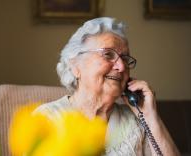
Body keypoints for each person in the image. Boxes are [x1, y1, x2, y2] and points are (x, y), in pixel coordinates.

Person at [34, 17, 180, 155]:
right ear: (76, 66)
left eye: (124, 58)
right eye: (108, 54)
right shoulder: (47, 118)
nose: (121, 66)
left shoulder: (138, 119)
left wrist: (150, 116)